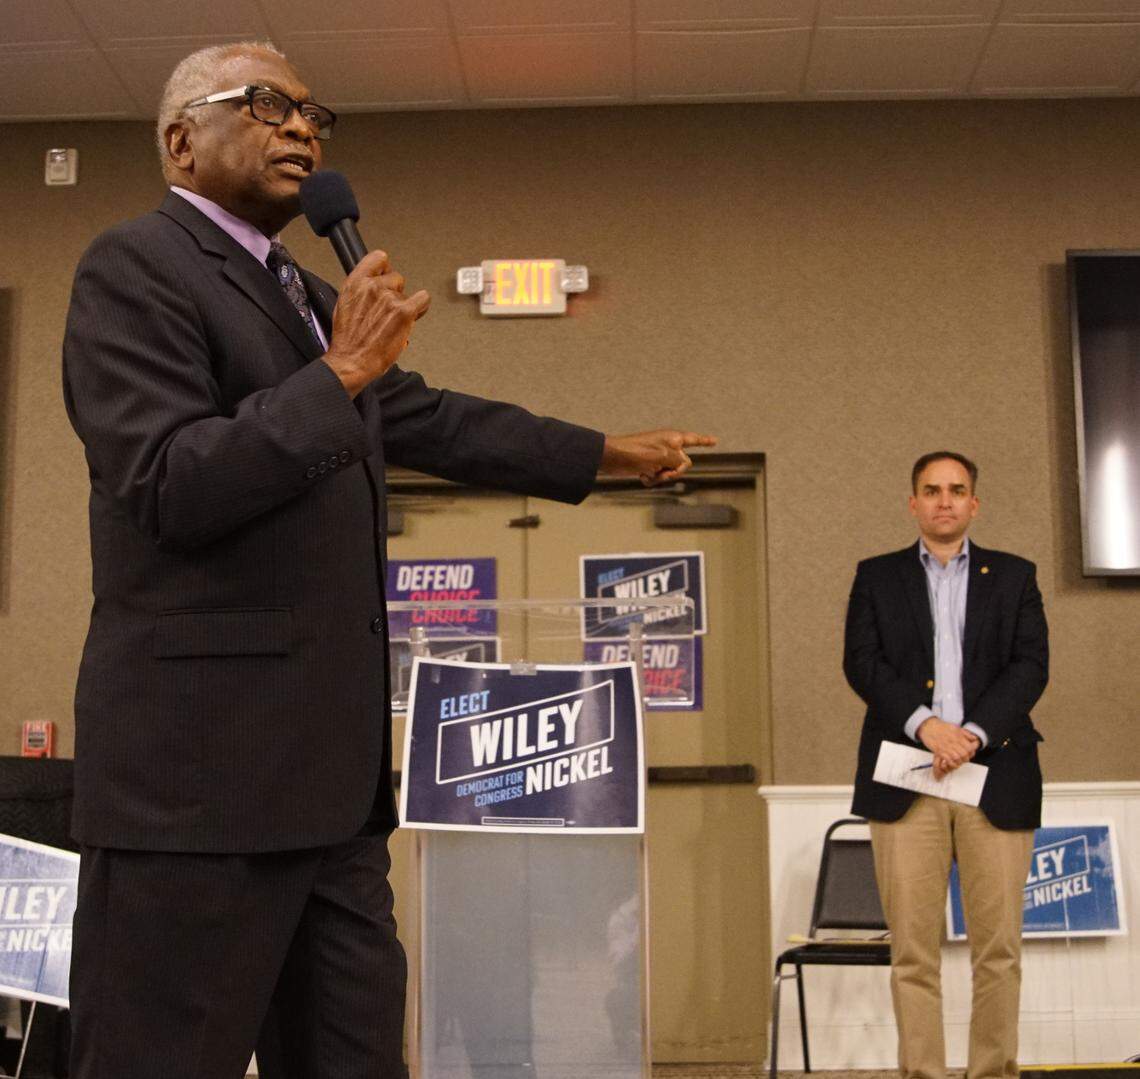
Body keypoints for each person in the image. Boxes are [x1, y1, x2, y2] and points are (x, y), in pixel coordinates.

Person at [61, 39, 715, 1079]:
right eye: (268, 104)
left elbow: (437, 421)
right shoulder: (134, 266)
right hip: (198, 794)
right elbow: (169, 482)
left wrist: (601, 454)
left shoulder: (309, 297)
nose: (303, 129)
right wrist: (344, 369)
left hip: (331, 799)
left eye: (316, 115)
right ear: (181, 142)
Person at [843, 451, 1048, 1079]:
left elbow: (1030, 668)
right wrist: (927, 726)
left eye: (957, 490)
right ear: (913, 503)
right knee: (912, 954)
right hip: (907, 779)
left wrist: (971, 735)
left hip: (997, 776)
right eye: (931, 490)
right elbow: (863, 662)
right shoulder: (876, 576)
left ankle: (993, 1072)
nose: (944, 500)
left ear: (974, 504)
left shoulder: (1014, 576)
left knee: (999, 952)